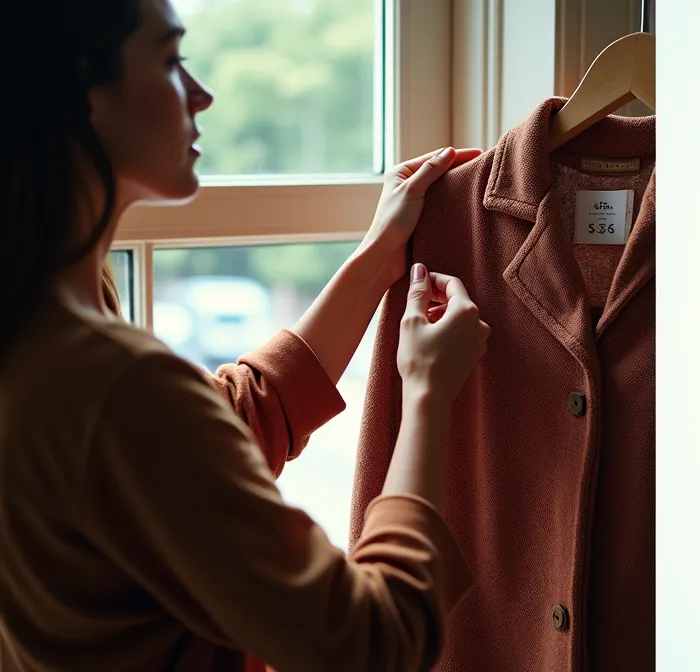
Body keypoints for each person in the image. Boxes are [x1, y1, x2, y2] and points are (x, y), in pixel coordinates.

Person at [0, 0, 491, 670]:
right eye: (171, 62)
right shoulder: (111, 382)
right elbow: (372, 641)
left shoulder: (40, 328)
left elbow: (213, 432)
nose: (200, 93)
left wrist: (379, 256)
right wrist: (428, 393)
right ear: (84, 95)